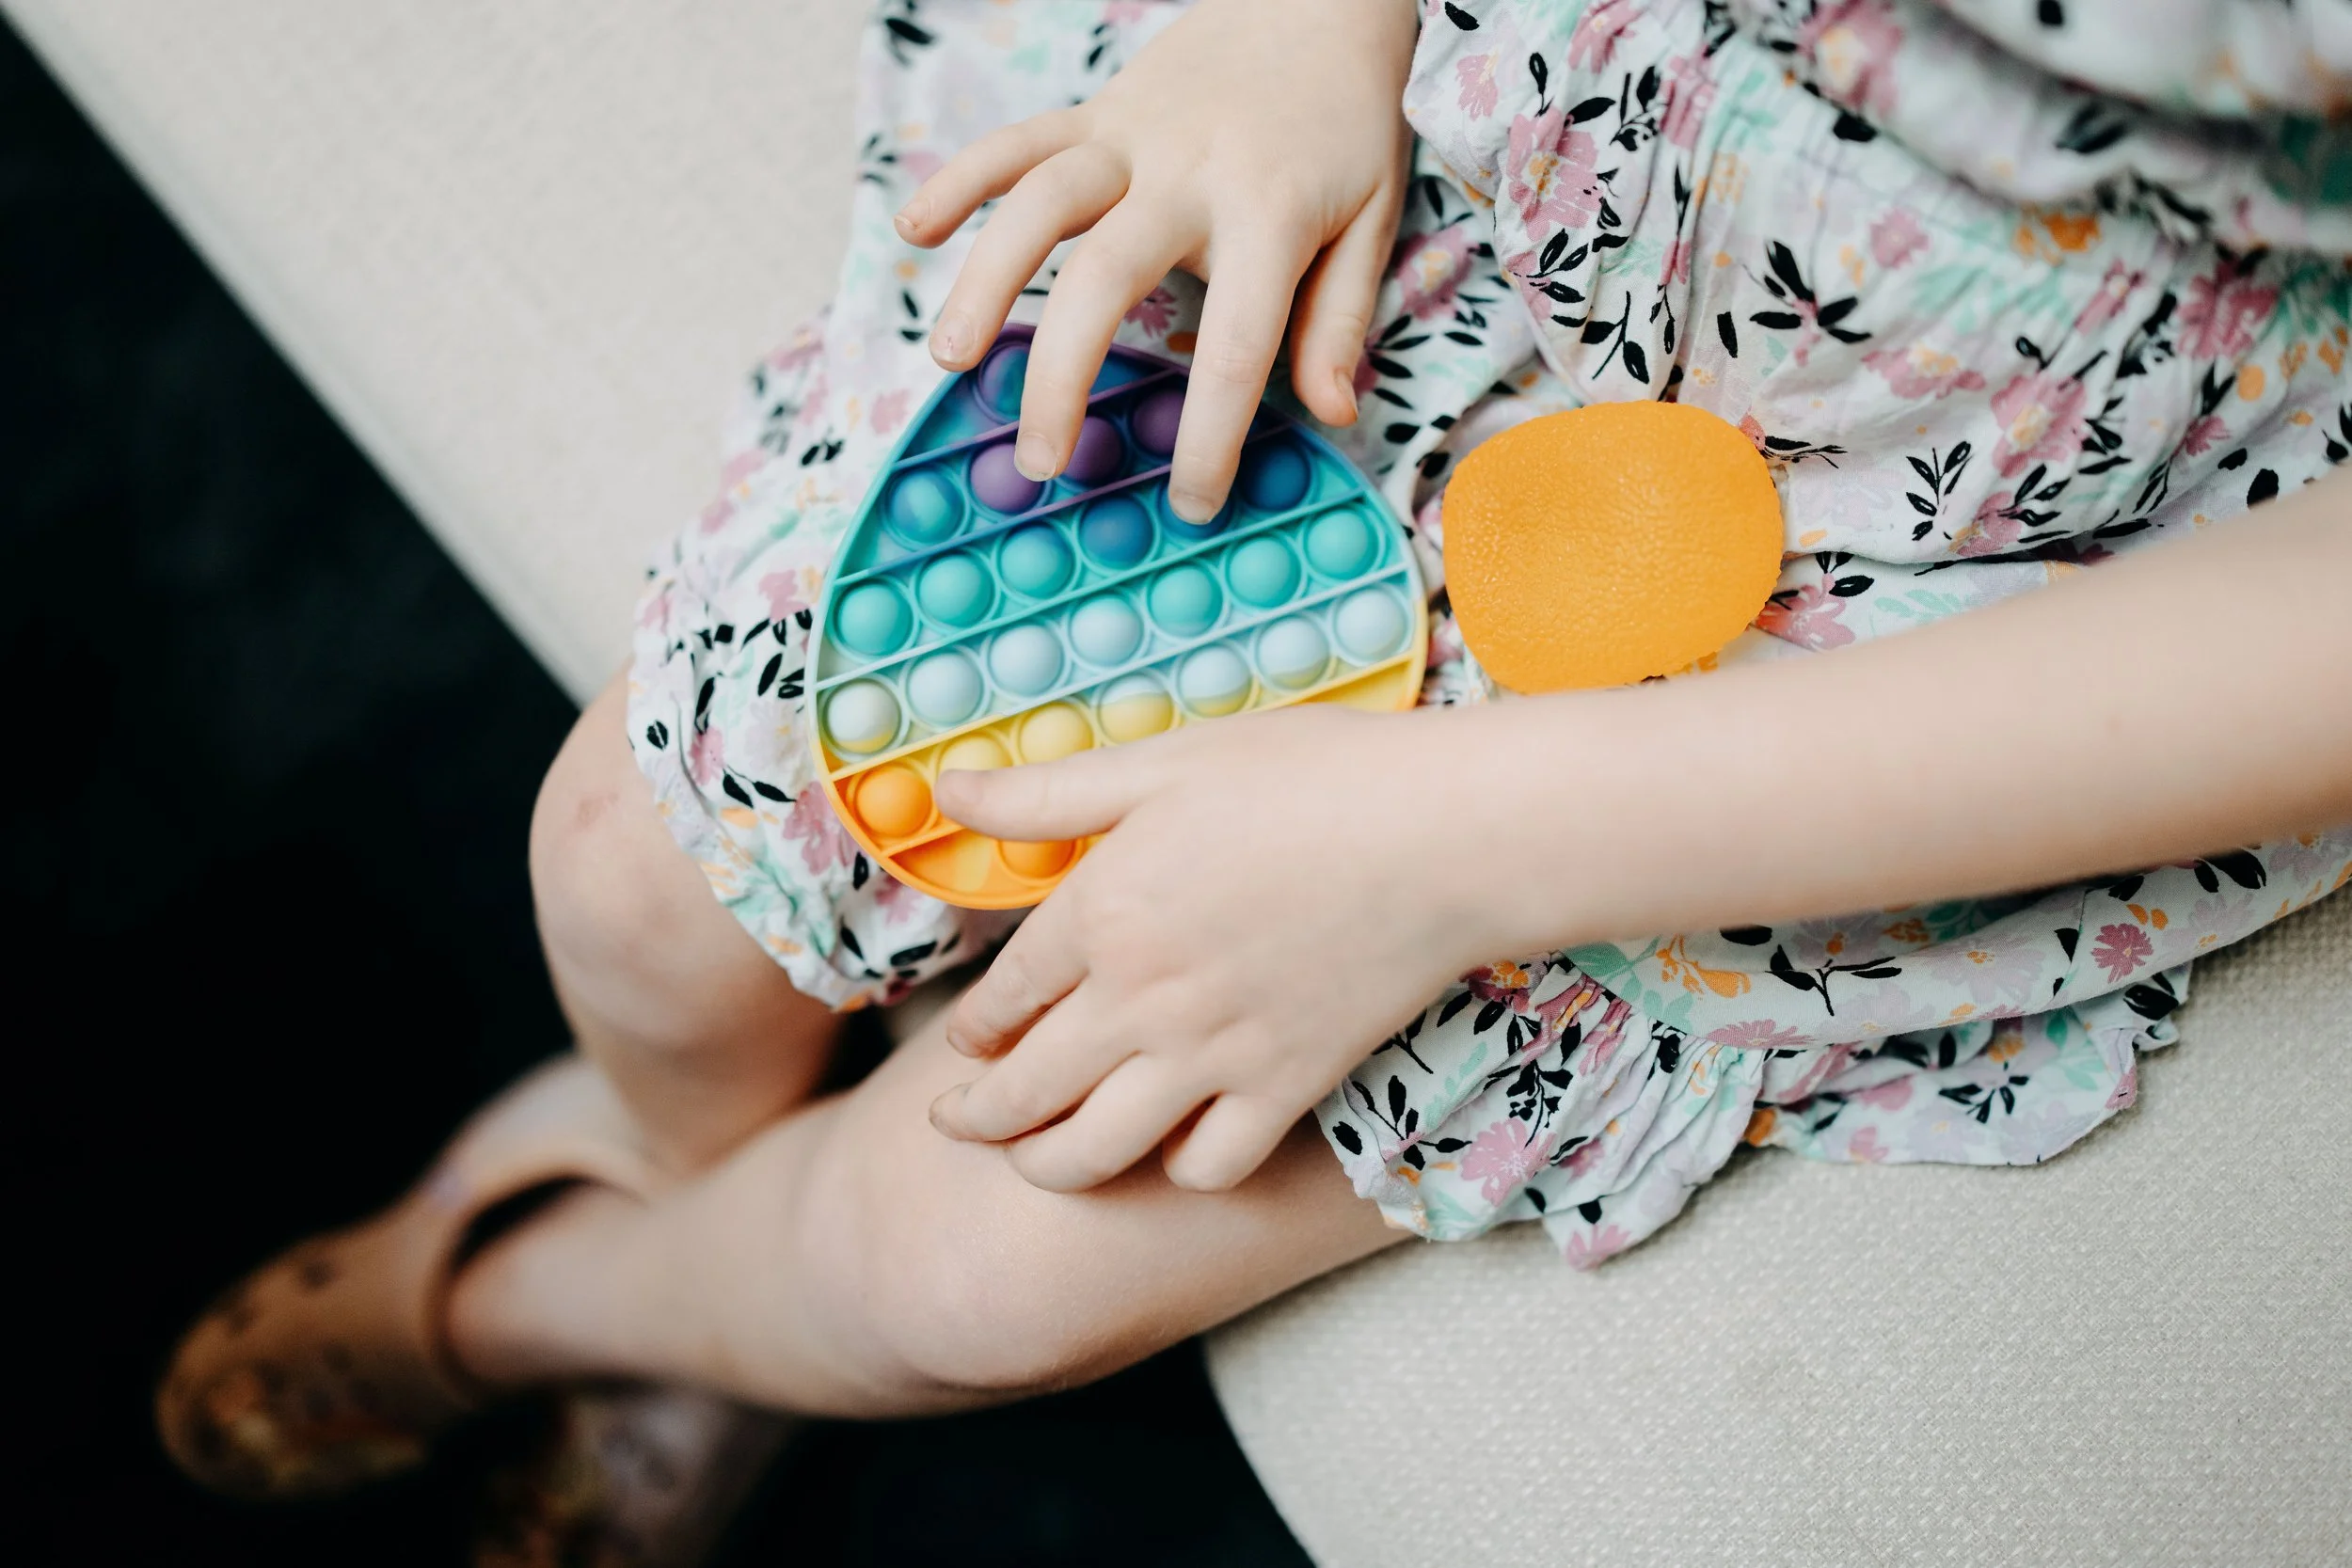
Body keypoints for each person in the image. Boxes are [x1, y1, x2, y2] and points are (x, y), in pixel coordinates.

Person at [158, 0, 2352, 1559]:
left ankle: (545, 1291)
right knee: (631, 875)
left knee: (974, 1273)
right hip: (1468, 131)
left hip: (1974, 582)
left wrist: (1456, 848)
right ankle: (664, 1154)